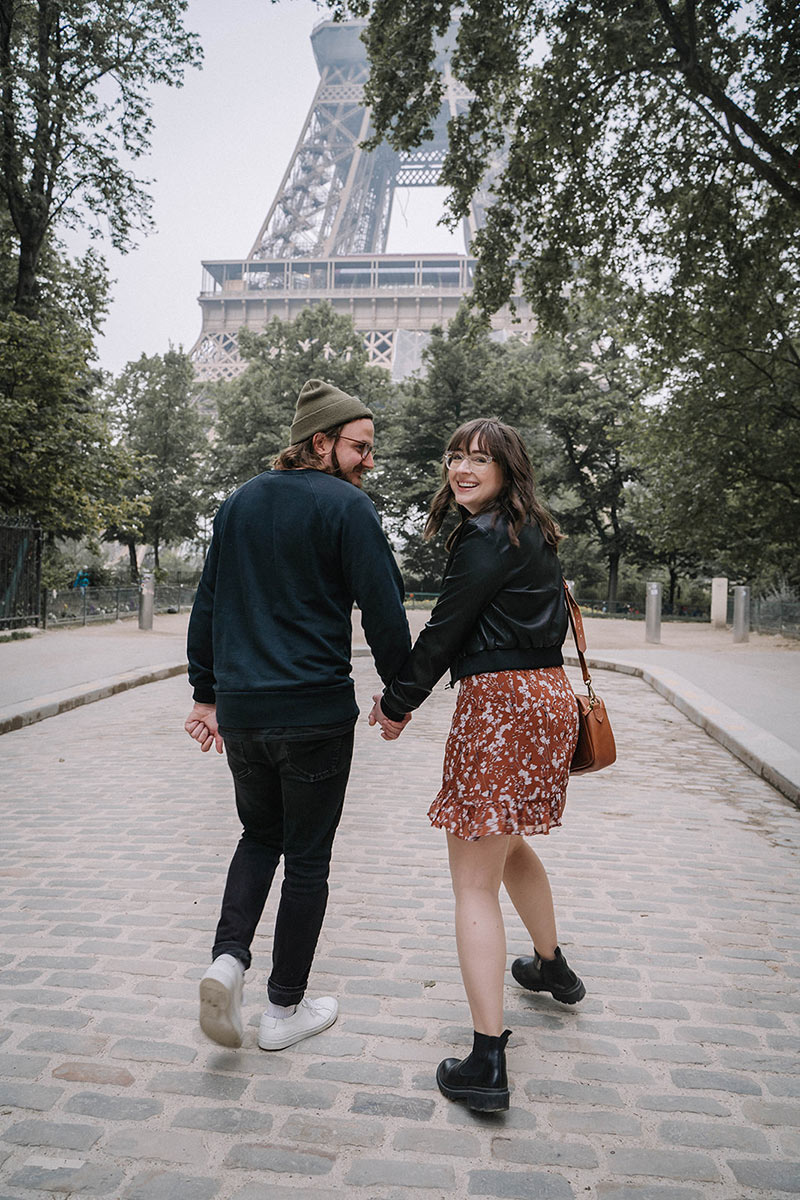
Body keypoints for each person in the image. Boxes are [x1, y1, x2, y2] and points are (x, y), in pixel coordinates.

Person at [185, 379, 411, 1052]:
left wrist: (206, 694)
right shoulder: (348, 509)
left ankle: (227, 962)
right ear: (320, 442)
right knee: (307, 860)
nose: (369, 460)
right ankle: (283, 1012)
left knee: (259, 837)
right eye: (360, 447)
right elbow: (384, 611)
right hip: (314, 714)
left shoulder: (239, 503)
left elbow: (208, 604)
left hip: (247, 717)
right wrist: (400, 696)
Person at [370, 417, 584, 1112]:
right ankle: (551, 968)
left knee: (471, 883)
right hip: (549, 699)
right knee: (506, 839)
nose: (462, 469)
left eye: (478, 460)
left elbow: (445, 631)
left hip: (501, 707)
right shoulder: (531, 530)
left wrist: (397, 705)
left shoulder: (488, 535)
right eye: (455, 456)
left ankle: (487, 1062)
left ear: (506, 470)